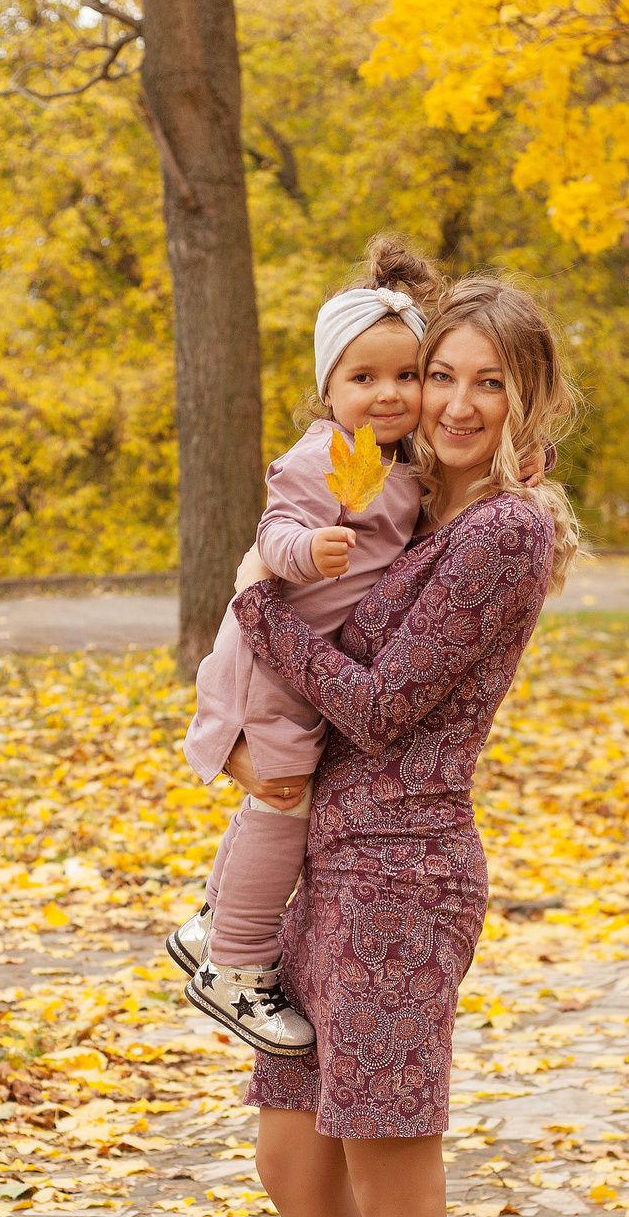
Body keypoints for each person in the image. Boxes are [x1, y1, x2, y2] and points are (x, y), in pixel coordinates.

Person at [218, 275, 579, 1217]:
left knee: (386, 1166)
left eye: (492, 382)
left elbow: (378, 705)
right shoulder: (417, 510)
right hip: (331, 863)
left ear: (531, 399)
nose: (459, 402)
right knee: (293, 1160)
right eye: (445, 375)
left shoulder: (506, 536)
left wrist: (259, 608)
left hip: (403, 875)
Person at [173, 240, 445, 1055]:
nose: (387, 393)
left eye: (406, 376)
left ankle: (217, 917)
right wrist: (308, 552)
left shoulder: (396, 465)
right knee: (283, 797)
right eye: (363, 379)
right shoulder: (322, 456)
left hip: (306, 661)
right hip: (273, 656)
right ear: (329, 388)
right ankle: (238, 967)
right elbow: (274, 529)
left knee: (275, 797)